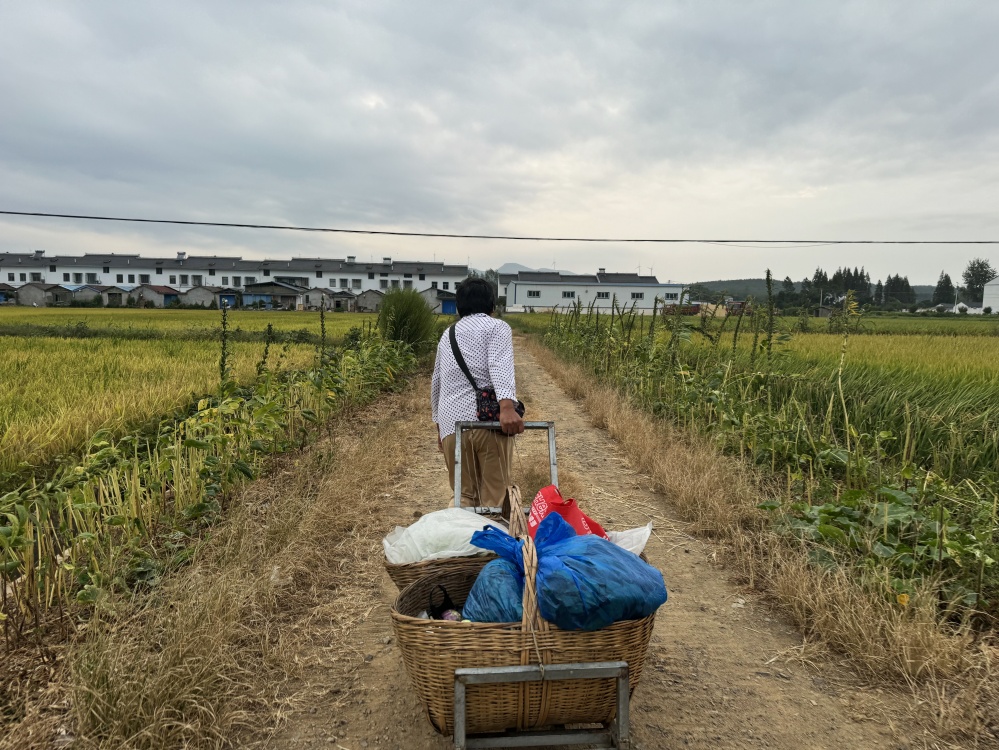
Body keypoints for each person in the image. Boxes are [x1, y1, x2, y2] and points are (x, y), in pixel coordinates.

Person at [431, 277, 525, 507]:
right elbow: (499, 365)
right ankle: (490, 531)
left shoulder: (448, 334)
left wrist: (439, 426)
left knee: (463, 496)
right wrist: (507, 407)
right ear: (492, 305)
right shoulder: (497, 327)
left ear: (459, 307)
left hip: (452, 425)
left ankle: (460, 530)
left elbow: (437, 382)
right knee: (495, 497)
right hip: (487, 422)